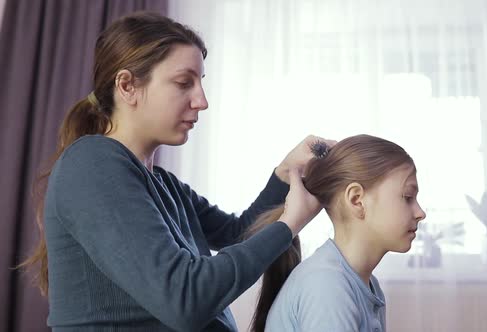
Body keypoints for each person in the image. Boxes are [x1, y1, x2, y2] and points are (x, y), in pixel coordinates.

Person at [19, 12, 334, 331]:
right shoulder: (92, 164)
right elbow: (185, 300)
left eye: (200, 84)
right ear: (127, 86)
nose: (202, 101)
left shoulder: (162, 184)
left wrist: (286, 171)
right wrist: (290, 223)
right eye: (184, 83)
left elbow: (236, 234)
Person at [245, 134, 427, 332]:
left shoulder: (366, 285)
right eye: (408, 197)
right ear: (357, 200)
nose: (420, 213)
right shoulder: (327, 286)